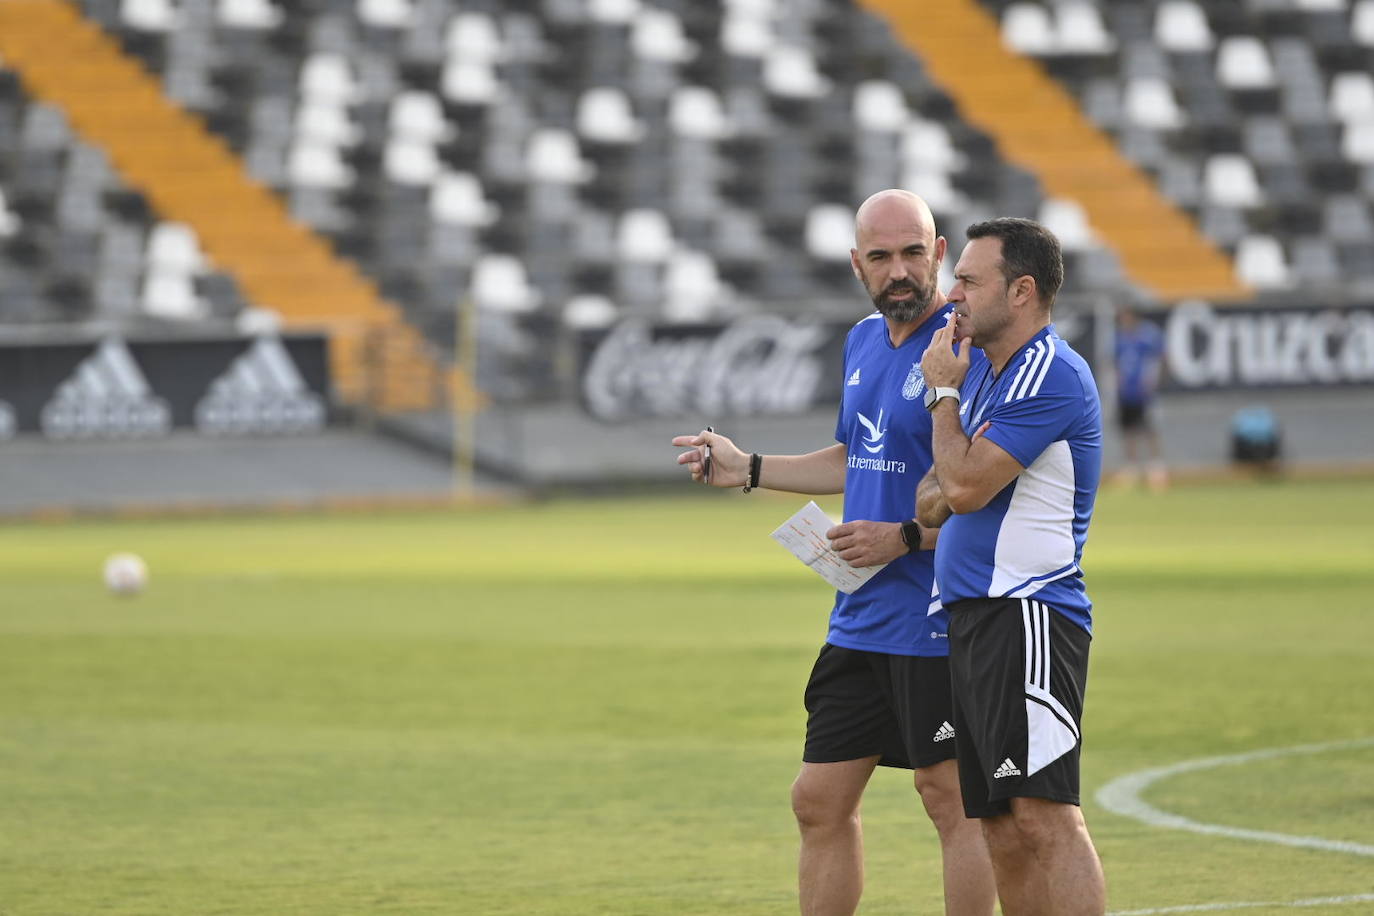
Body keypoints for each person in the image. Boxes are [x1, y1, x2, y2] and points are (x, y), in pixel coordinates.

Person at [673, 190, 995, 916]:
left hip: (939, 617)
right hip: (860, 612)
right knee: (818, 801)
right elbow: (858, 458)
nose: (900, 271)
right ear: (857, 265)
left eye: (914, 252)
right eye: (881, 257)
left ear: (940, 253)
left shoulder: (967, 349)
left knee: (949, 800)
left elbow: (991, 495)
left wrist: (904, 537)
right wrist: (748, 468)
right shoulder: (860, 341)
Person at [917, 218, 1106, 916]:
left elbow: (959, 489)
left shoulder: (1047, 372)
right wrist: (957, 457)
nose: (952, 293)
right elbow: (931, 499)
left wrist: (942, 396)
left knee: (1045, 815)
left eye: (969, 280)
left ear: (1021, 290)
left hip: (1028, 615)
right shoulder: (994, 377)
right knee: (998, 824)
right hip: (977, 618)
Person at [1113, 304, 1168, 491]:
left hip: (1145, 392)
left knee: (1149, 429)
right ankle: (1131, 468)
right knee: (1128, 429)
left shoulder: (1148, 335)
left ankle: (1156, 468)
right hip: (1126, 392)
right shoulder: (1119, 338)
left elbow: (1161, 358)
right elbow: (1116, 363)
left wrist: (1154, 381)